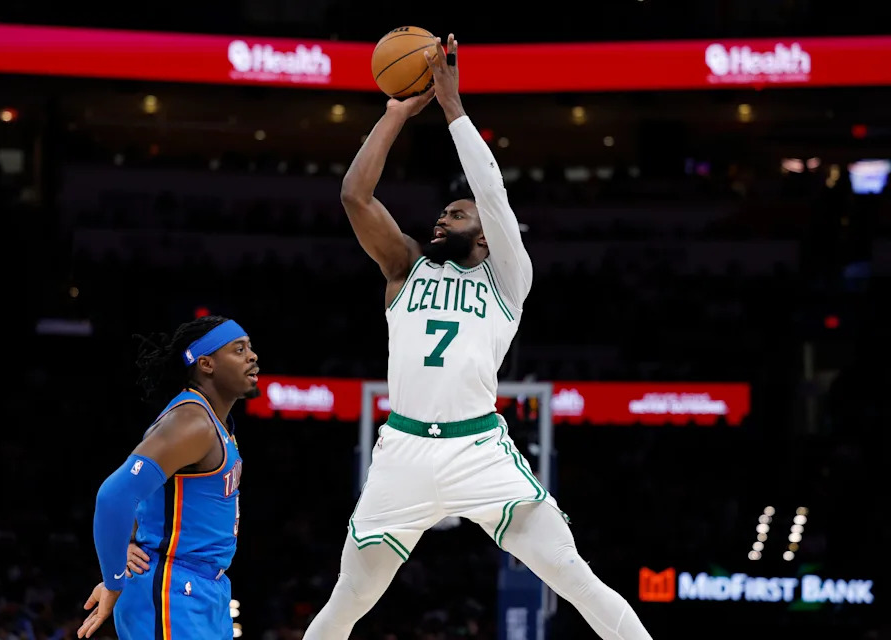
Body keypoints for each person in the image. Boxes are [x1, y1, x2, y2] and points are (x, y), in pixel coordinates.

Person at [303, 35, 654, 640]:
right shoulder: (403, 268)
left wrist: (453, 107)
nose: (443, 216)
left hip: (479, 451)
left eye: (457, 213)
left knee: (573, 574)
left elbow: (493, 193)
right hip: (404, 453)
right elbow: (354, 196)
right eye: (442, 211)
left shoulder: (507, 279)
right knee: (348, 600)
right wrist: (393, 116)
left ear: (487, 235)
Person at [77, 315, 260, 639]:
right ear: (206, 364)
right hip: (171, 587)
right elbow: (114, 496)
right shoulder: (192, 422)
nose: (252, 356)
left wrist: (133, 537)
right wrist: (114, 578)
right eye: (239, 349)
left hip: (205, 587)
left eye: (250, 347)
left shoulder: (215, 423)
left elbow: (153, 495)